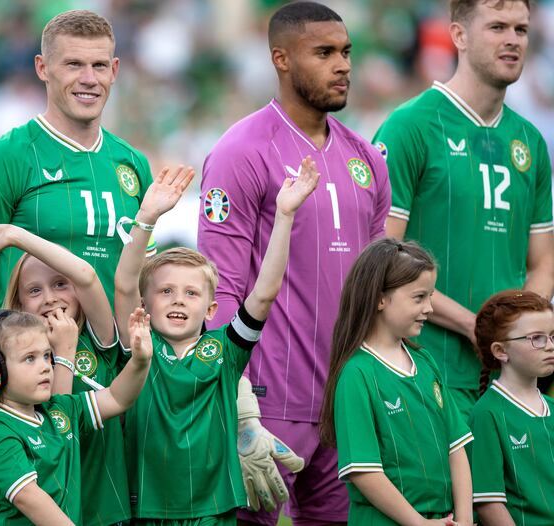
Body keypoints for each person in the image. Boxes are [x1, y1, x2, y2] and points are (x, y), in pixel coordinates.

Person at [197, 3, 391, 524]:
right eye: (324, 53)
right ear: (280, 59)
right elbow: (218, 286)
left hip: (346, 403)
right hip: (265, 403)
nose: (342, 65)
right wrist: (235, 398)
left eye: (346, 52)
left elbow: (379, 289)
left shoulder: (367, 158)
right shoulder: (241, 151)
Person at [0, 165, 194, 526]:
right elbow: (56, 421)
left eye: (59, 284)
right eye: (34, 290)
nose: (50, 298)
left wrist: (16, 236)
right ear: (18, 304)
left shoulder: (98, 338)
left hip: (103, 506)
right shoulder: (13, 364)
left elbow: (87, 275)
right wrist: (62, 355)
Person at [373, 0, 554, 418]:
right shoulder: (410, 126)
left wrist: (516, 327)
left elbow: (544, 261)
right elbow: (382, 256)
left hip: (508, 380)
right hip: (423, 372)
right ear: (459, 35)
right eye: (497, 27)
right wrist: (474, 325)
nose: (512, 40)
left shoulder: (530, 140)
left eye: (521, 30)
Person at [115, 157, 318, 524]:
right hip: (146, 508)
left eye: (191, 293)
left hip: (213, 511)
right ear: (145, 304)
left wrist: (285, 215)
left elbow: (264, 294)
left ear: (210, 309)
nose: (178, 300)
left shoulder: (225, 351)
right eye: (166, 291)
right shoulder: (140, 345)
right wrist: (147, 218)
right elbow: (125, 283)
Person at [0, 9, 153, 331]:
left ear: (114, 70)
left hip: (117, 363)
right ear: (42, 68)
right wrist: (8, 344)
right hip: (39, 362)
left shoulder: (133, 163)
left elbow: (146, 282)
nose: (89, 79)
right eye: (73, 64)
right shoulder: (7, 156)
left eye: (99, 65)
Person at [319, 238, 474, 526]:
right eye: (419, 297)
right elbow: (364, 472)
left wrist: (464, 519)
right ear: (380, 299)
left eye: (431, 296)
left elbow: (456, 448)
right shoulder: (357, 374)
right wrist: (418, 523)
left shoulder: (426, 362)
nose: (429, 308)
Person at [0, 308, 152, 525]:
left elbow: (117, 398)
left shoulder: (60, 409)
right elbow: (28, 497)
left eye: (47, 356)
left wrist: (140, 362)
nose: (46, 367)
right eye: (30, 358)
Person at [469, 290, 554, 526]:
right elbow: (488, 504)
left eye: (552, 336)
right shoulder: (487, 414)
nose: (550, 346)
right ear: (501, 351)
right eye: (537, 338)